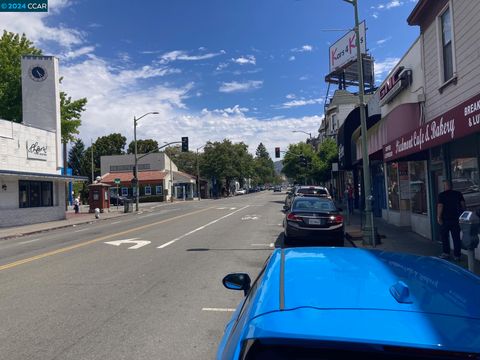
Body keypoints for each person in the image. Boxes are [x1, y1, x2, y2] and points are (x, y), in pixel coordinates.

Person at [437, 179, 466, 261]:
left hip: (445, 219)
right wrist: (463, 214)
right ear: (451, 186)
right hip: (456, 219)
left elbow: (440, 206)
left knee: (444, 237)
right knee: (456, 237)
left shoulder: (442, 195)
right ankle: (457, 255)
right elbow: (463, 205)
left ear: (445, 186)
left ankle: (446, 253)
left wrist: (439, 217)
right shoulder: (458, 194)